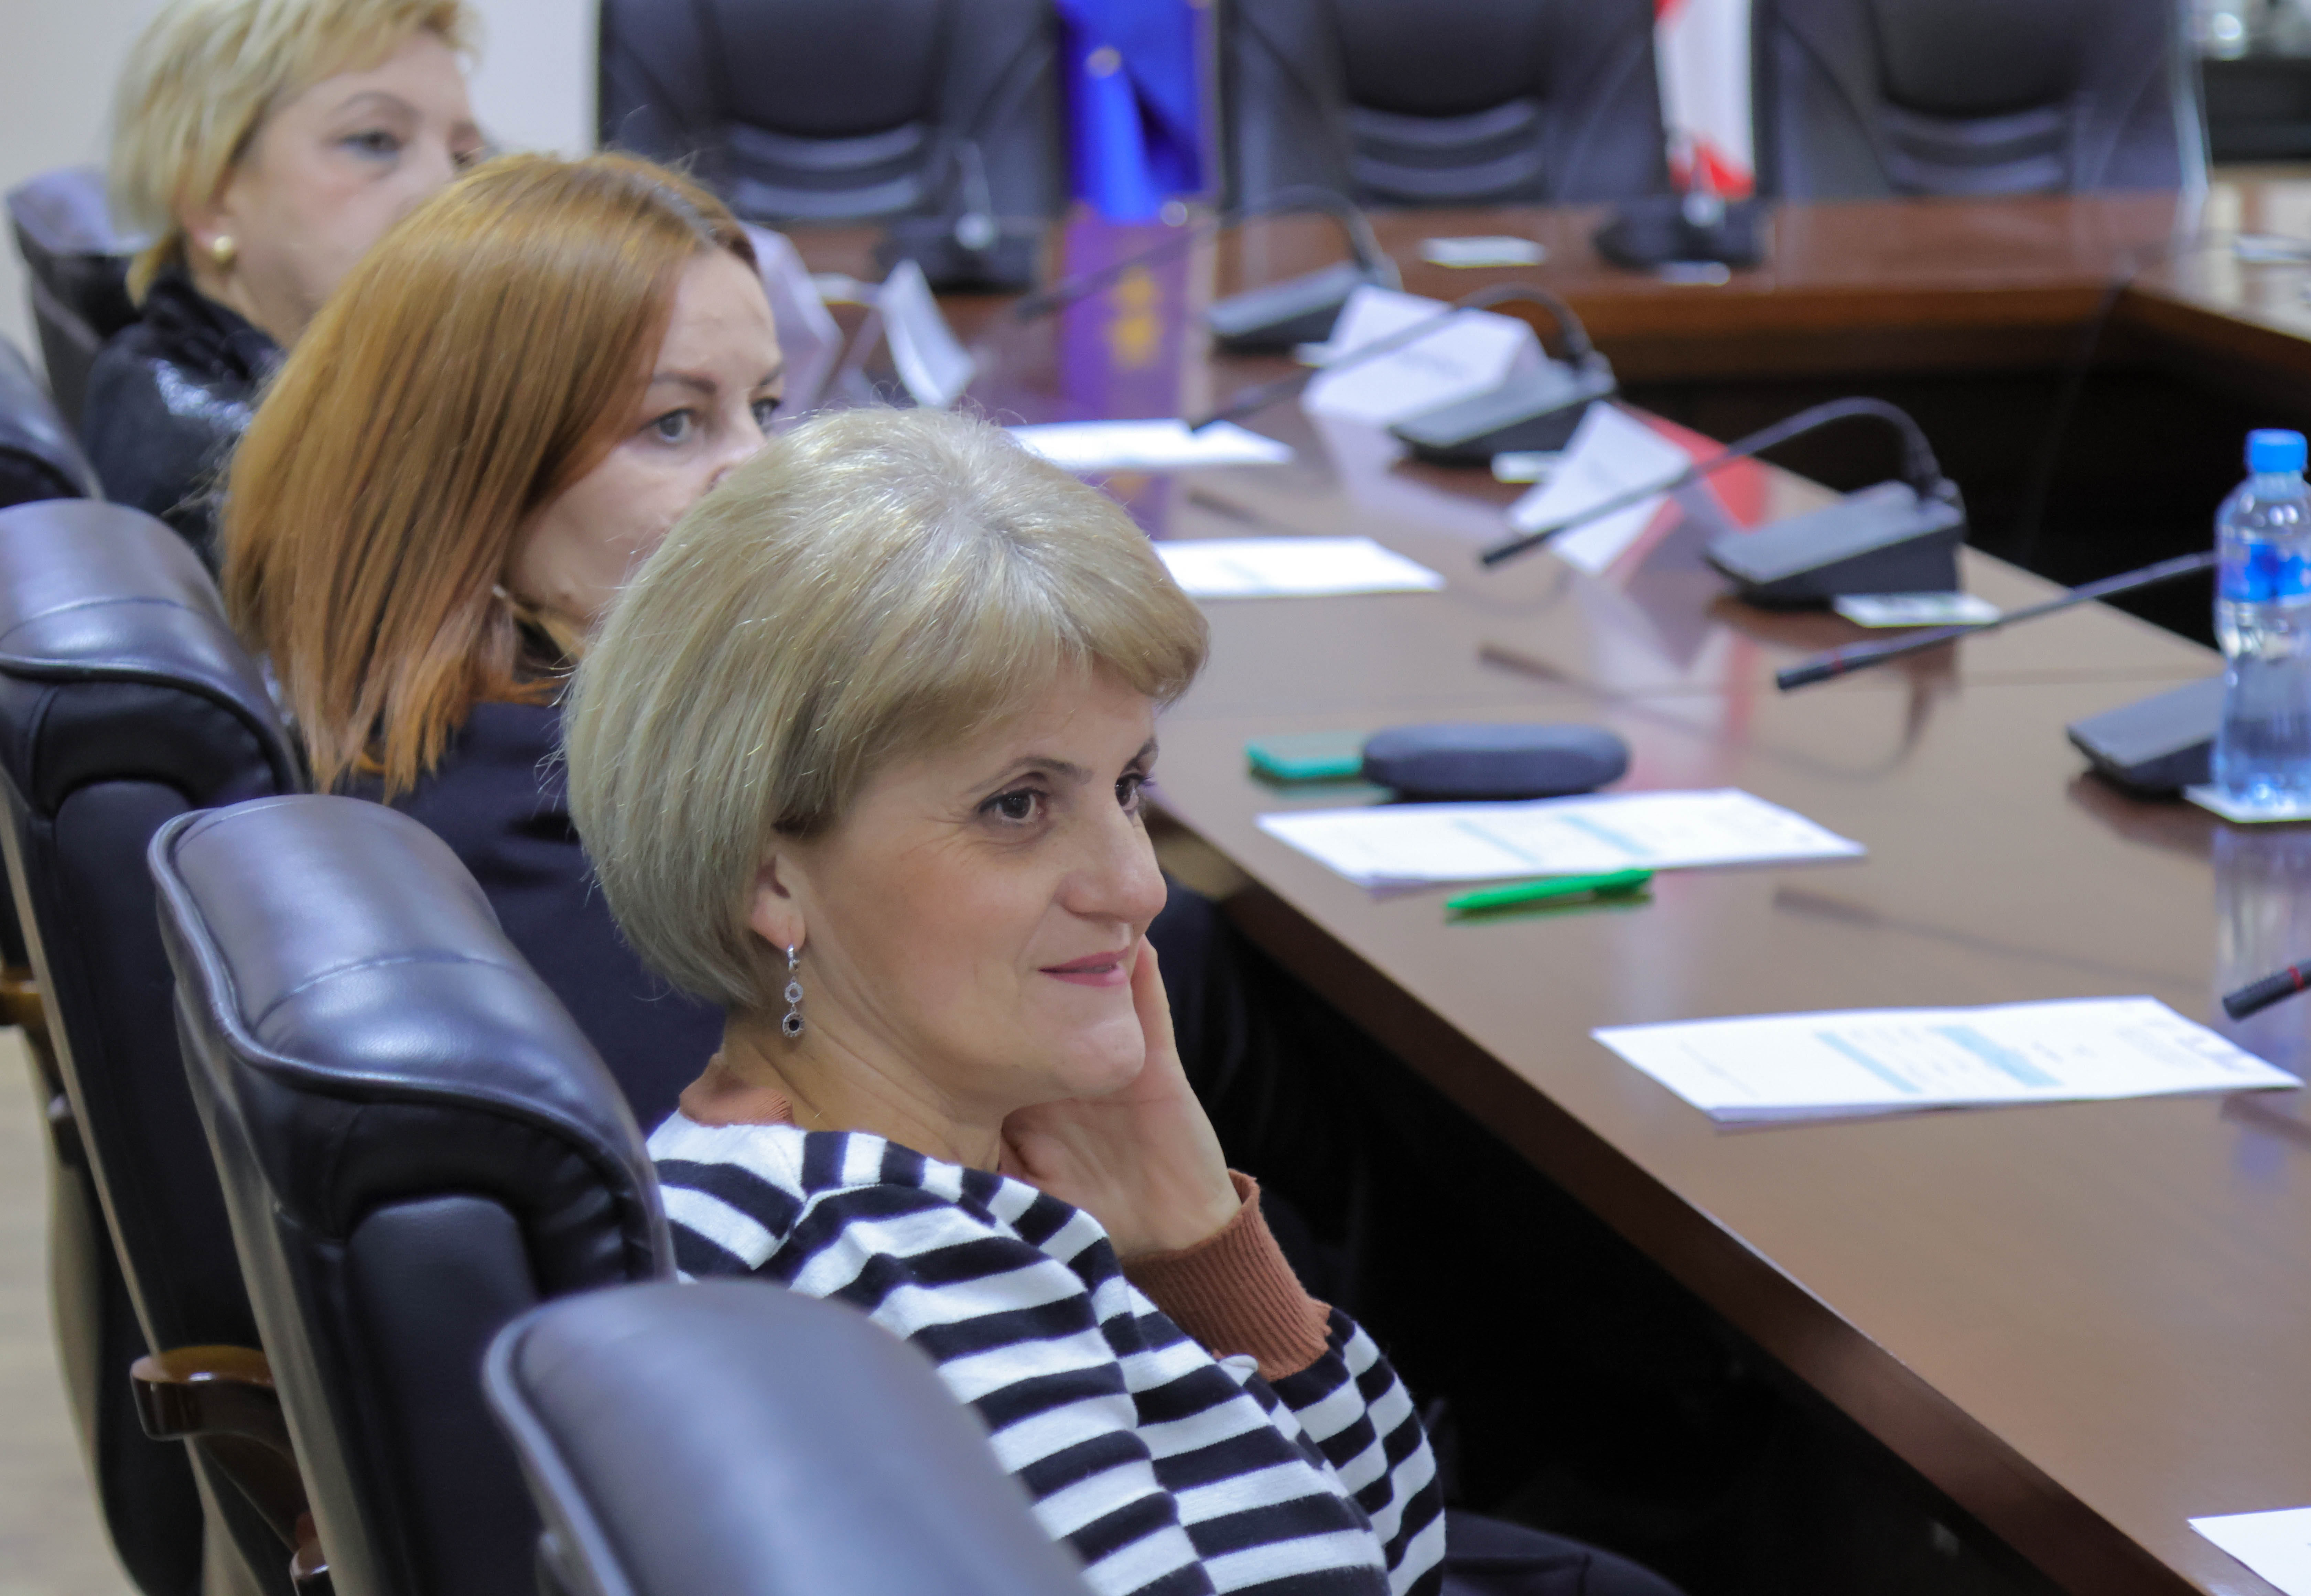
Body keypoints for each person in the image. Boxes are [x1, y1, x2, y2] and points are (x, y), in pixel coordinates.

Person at [564, 407, 1681, 1596]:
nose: (1137, 885)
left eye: (1129, 786)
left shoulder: (794, 1184)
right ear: (769, 876)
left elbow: (1394, 1551)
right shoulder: (909, 1283)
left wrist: (1203, 1245)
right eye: (1017, 806)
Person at [219, 151, 782, 1128]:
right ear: (473, 484)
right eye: (675, 424)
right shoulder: (539, 827)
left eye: (764, 408)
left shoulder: (462, 732)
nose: (765, 476)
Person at [86, 0, 482, 562]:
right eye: (375, 140)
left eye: (464, 158)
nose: (449, 194)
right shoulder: (237, 476)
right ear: (208, 197)